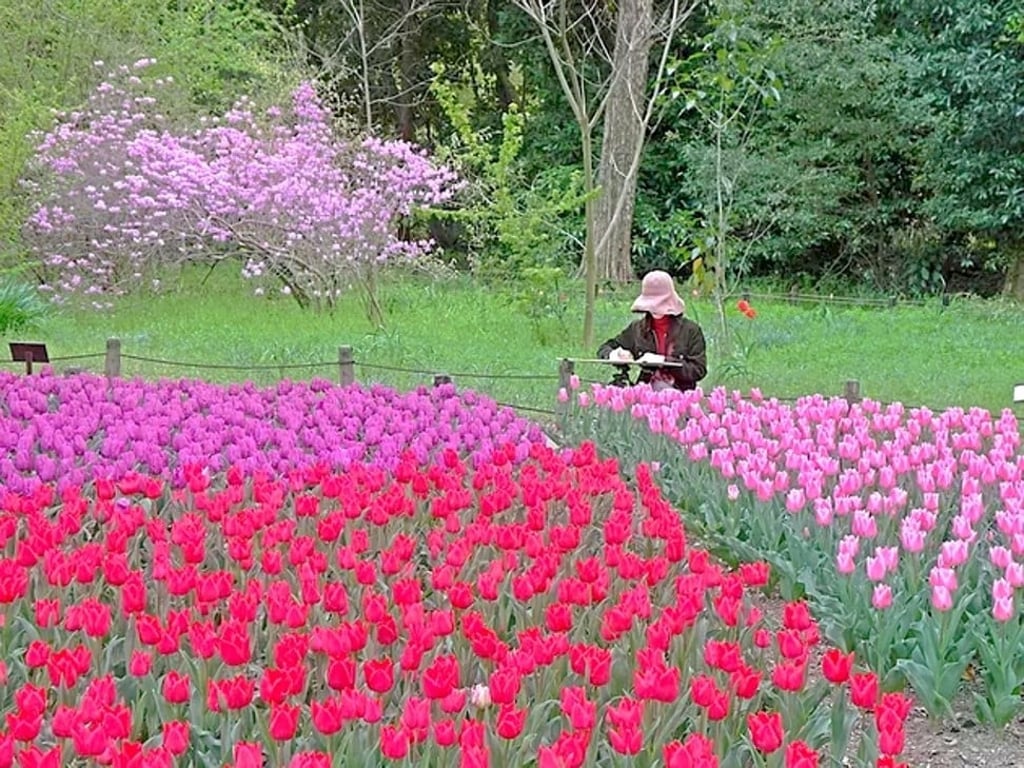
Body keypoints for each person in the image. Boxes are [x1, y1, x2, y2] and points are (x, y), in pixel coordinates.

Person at [597, 270, 707, 392]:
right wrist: (615, 354)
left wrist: (662, 361)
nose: (655, 309)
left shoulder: (690, 331)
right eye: (651, 304)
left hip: (679, 397)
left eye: (660, 303)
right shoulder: (637, 329)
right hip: (645, 396)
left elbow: (698, 370)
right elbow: (605, 348)